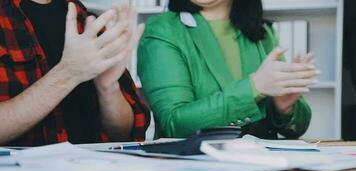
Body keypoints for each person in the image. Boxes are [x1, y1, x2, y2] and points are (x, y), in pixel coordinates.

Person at [138, 0, 318, 139]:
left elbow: (297, 128)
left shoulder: (262, 32)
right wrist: (254, 88)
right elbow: (174, 123)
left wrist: (284, 107)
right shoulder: (163, 31)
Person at [0, 0, 150, 146]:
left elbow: (124, 133)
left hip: (95, 167)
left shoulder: (85, 19)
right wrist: (68, 73)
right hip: (22, 170)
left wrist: (108, 88)